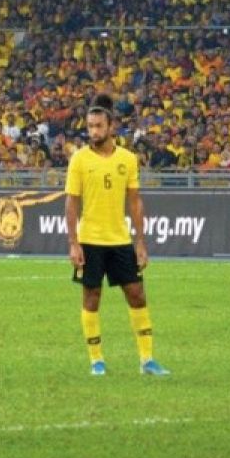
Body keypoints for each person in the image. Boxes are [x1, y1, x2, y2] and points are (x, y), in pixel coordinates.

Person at [65, 95, 169, 377]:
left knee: (137, 294)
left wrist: (141, 242)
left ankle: (147, 360)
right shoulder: (79, 160)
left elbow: (134, 201)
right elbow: (72, 203)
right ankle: (96, 360)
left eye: (99, 126)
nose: (93, 132)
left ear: (111, 126)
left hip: (120, 239)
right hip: (90, 240)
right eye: (90, 126)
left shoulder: (128, 159)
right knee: (91, 297)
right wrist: (73, 243)